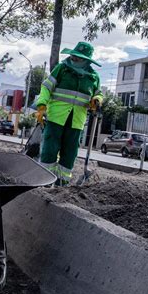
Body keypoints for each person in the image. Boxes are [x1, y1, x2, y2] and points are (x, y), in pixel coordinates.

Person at [36, 42, 103, 186]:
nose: (74, 58)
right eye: (73, 55)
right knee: (50, 149)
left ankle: (62, 184)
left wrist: (97, 100)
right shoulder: (61, 69)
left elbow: (99, 94)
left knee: (70, 153)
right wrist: (41, 106)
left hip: (77, 121)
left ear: (86, 60)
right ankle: (45, 182)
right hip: (56, 117)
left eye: (78, 57)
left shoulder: (93, 77)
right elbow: (46, 87)